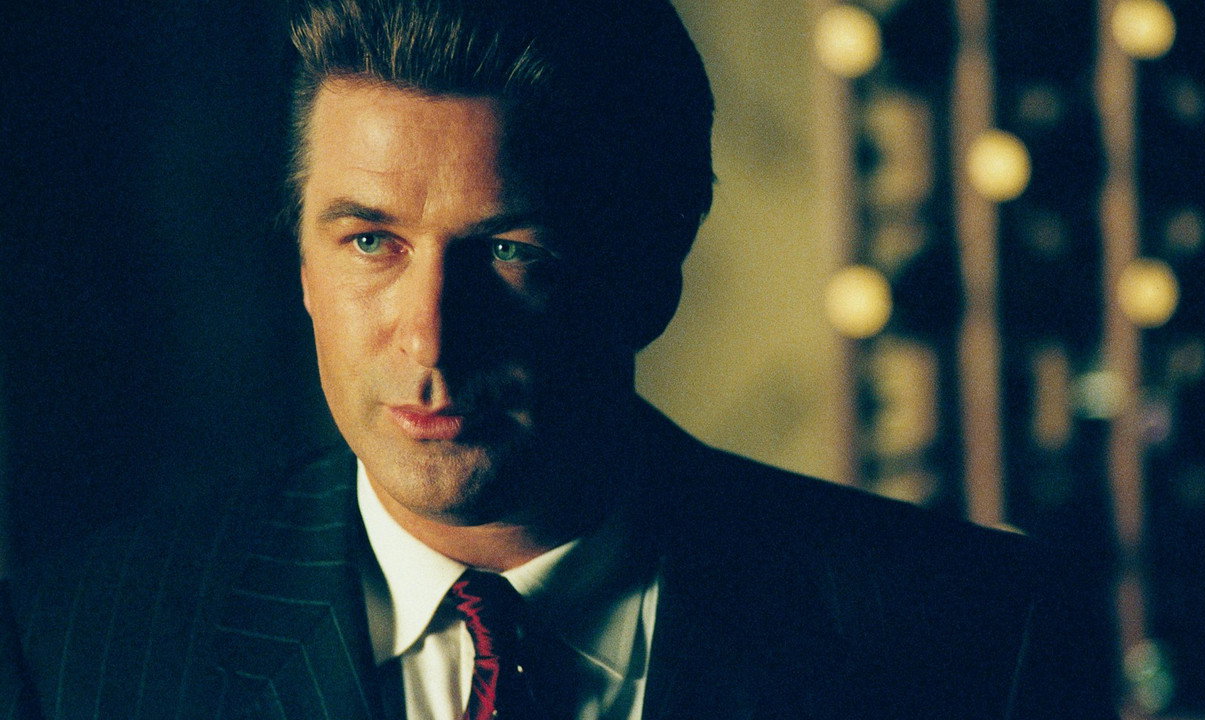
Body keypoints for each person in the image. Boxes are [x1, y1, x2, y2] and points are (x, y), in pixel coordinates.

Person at [0, 0, 1112, 718]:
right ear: (300, 262)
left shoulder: (971, 642)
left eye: (509, 250)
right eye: (370, 243)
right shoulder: (73, 650)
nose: (431, 336)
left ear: (652, 271)